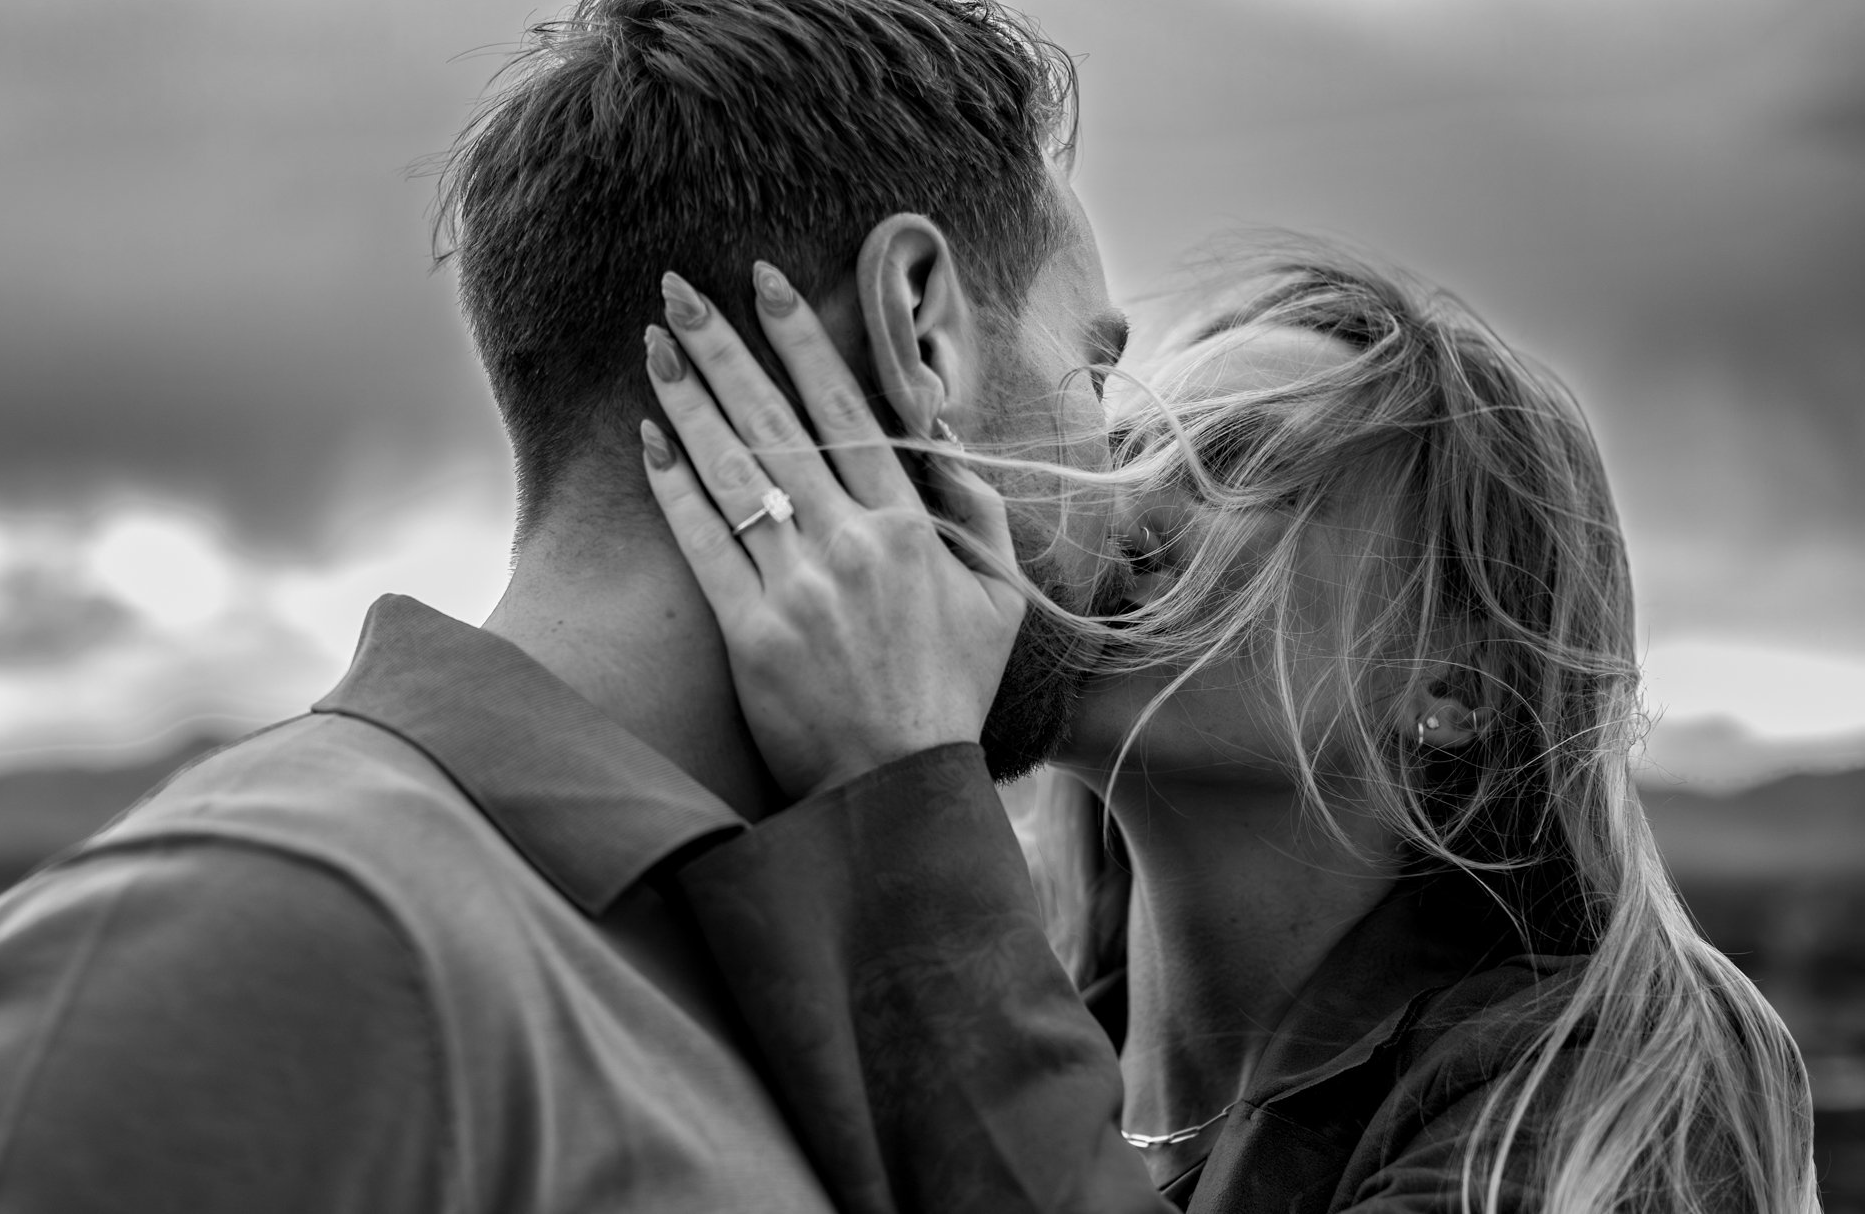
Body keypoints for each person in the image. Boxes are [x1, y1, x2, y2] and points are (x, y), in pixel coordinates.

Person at [0, 0, 1139, 1213]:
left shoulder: (805, 983)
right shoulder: (277, 930)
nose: (1124, 469)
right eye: (1094, 369)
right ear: (921, 328)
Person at [639, 240, 1821, 1212]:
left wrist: (901, 801)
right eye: (1128, 449)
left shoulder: (1612, 1083)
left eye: (1240, 467)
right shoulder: (1006, 1028)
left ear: (1450, 689)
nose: (1118, 506)